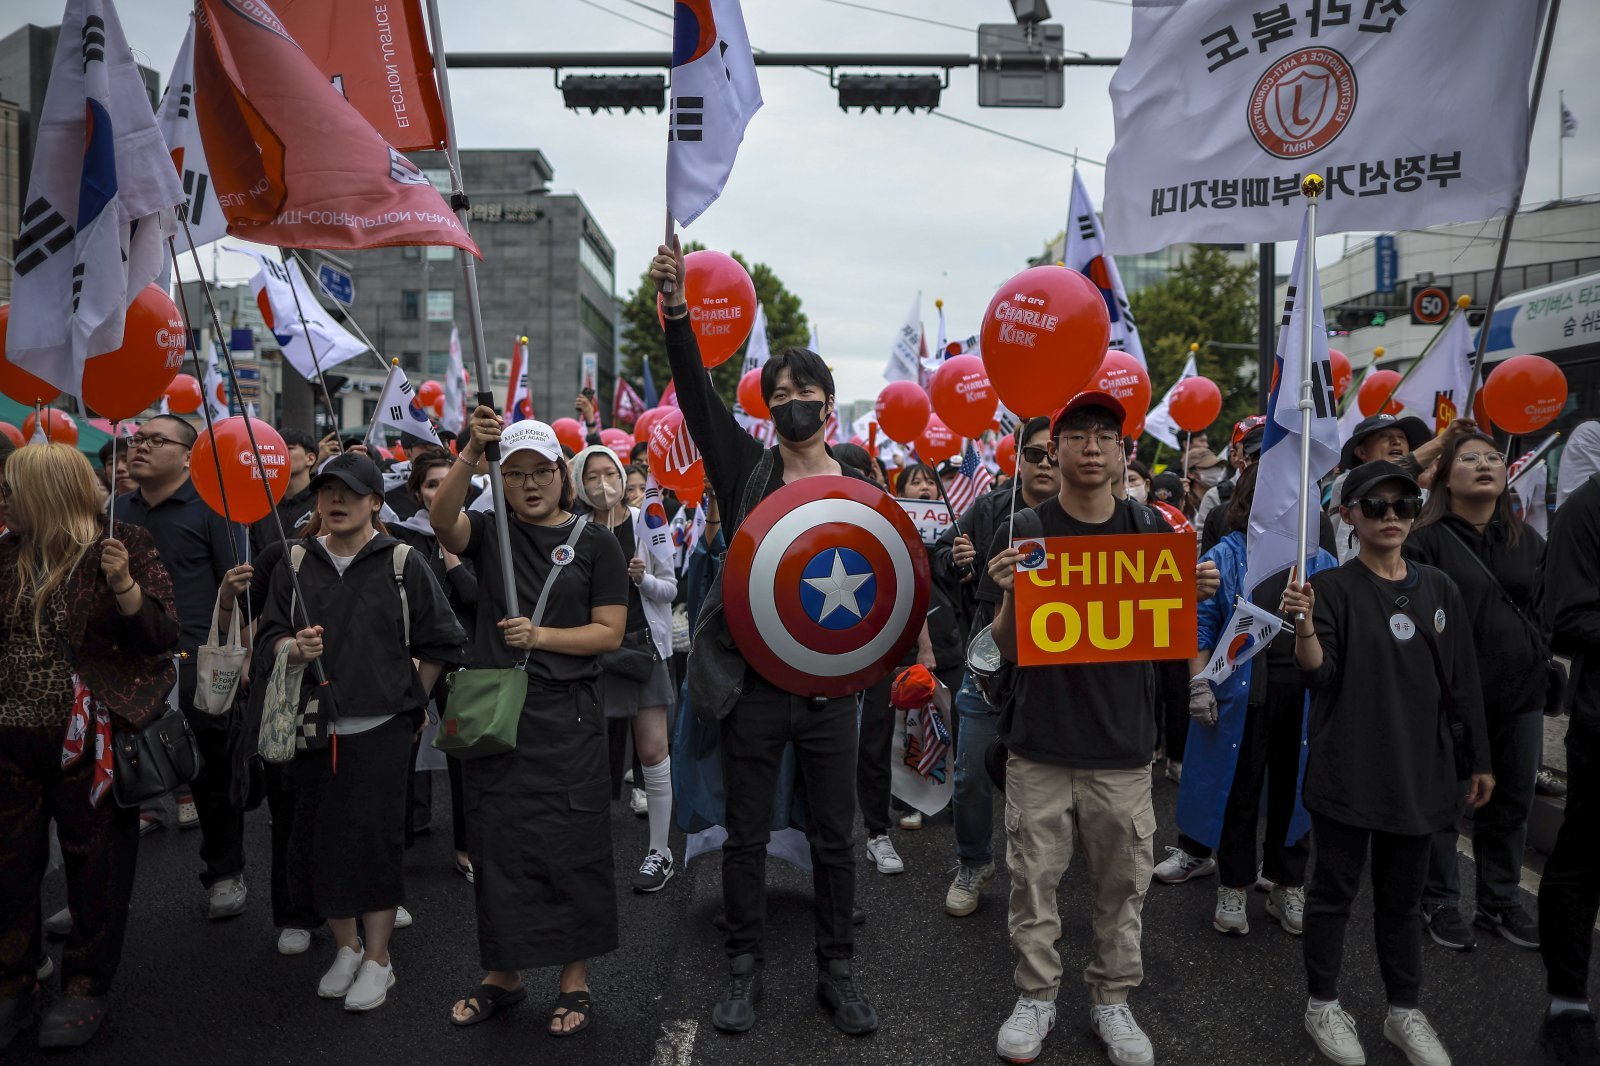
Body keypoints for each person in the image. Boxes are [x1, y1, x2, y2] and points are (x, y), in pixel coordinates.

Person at [652, 241, 880, 1038]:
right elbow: (693, 393)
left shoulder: (860, 484)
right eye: (779, 392)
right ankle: (743, 970)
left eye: (805, 390)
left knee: (834, 837)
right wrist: (677, 314)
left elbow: (884, 585)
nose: (793, 402)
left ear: (828, 399)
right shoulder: (744, 467)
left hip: (831, 695)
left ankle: (837, 972)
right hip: (751, 689)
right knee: (745, 836)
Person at [981, 392, 1220, 1066]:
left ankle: (1113, 1002)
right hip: (1040, 745)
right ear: (1052, 451)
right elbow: (1008, 647)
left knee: (1124, 889)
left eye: (1104, 436)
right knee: (1033, 883)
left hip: (1122, 750)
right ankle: (1036, 996)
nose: (1091, 446)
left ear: (1123, 453)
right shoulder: (1028, 527)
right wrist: (1007, 595)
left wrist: (1189, 593)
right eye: (1077, 435)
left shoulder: (1151, 534)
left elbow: (1173, 645)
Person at [1282, 460, 1492, 1066]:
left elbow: (1462, 681)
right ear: (1349, 515)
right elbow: (1320, 675)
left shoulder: (1439, 587)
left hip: (1419, 772)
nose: (1392, 516)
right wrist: (1302, 626)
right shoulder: (1334, 590)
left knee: (1401, 901)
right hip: (1348, 768)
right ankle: (1322, 1002)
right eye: (1375, 506)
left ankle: (1404, 1010)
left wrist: (1477, 758)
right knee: (1333, 894)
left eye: (1404, 505)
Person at [430, 415, 627, 1036]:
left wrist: (539, 635)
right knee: (499, 844)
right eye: (514, 474)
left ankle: (575, 981)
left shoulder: (595, 542)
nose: (530, 484)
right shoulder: (491, 532)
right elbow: (441, 522)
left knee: (572, 845)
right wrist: (469, 450)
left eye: (542, 471)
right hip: (500, 718)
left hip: (568, 717)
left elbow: (609, 632)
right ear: (501, 481)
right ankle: (503, 975)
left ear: (561, 475)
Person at [259, 452, 464, 1013]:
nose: (337, 501)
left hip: (380, 731)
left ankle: (378, 959)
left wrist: (411, 701)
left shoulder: (402, 560)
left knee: (373, 845)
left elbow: (440, 641)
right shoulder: (294, 560)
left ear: (377, 501)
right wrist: (290, 649)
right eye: (328, 491)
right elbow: (269, 635)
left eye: (351, 492)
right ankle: (345, 946)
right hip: (311, 728)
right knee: (320, 844)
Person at [0, 444, 179, 1051]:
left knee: (95, 869)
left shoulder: (120, 543)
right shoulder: (5, 554)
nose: (1, 499)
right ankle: (12, 985)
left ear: (45, 494)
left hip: (93, 745)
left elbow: (160, 636)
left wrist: (124, 583)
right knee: (9, 868)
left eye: (10, 488)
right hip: (9, 745)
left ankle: (84, 984)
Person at [1169, 463, 1336, 938]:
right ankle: (1234, 886)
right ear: (1250, 496)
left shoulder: (1321, 562)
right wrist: (1198, 682)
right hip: (1241, 700)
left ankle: (1288, 885)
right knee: (1237, 792)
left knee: (1297, 792)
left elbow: (1335, 635)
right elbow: (1198, 624)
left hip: (1303, 702)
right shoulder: (1225, 554)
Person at [1403, 432, 1548, 955]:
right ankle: (1439, 898)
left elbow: (1543, 611)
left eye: (1493, 457)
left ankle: (1500, 899)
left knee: (1511, 800)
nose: (1486, 465)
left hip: (1520, 694)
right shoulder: (1424, 540)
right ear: (1443, 477)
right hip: (1448, 698)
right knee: (1447, 800)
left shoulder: (1527, 540)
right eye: (1470, 458)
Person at [116, 414, 249, 911]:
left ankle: (225, 874)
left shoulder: (213, 507)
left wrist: (240, 660)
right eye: (137, 439)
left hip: (195, 661)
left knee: (211, 775)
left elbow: (239, 588)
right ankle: (105, 893)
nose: (141, 448)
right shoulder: (117, 509)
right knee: (118, 779)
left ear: (189, 455)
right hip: (126, 665)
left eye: (156, 440)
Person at [934, 415, 1058, 917]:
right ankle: (973, 862)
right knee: (969, 775)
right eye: (1035, 454)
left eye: (1055, 453)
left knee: (1051, 789)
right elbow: (942, 552)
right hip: (989, 671)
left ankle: (1042, 879)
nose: (1046, 463)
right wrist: (955, 557)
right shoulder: (987, 510)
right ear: (1017, 459)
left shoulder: (1081, 513)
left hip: (1055, 676)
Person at [570, 444, 679, 893]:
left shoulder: (646, 521)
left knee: (652, 751)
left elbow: (671, 588)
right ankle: (585, 851)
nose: (603, 483)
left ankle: (660, 852)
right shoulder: (573, 531)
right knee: (588, 753)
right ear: (579, 484)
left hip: (642, 650)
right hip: (593, 652)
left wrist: (643, 579)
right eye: (592, 476)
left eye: (609, 473)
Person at [389, 453, 480, 881]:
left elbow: (476, 597)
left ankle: (467, 848)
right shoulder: (400, 539)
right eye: (430, 484)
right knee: (397, 755)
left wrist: (452, 553)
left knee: (467, 760)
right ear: (417, 491)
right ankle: (394, 854)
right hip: (412, 661)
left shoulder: (475, 535)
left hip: (462, 664)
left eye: (448, 482)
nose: (440, 490)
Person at [1537, 455, 1600, 1064]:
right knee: (1585, 860)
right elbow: (1566, 619)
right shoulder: (1586, 509)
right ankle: (1567, 1002)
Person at [251, 428, 319, 552]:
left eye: (289, 448)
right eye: (276, 448)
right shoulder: (262, 504)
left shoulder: (322, 501)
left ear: (310, 459)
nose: (280, 453)